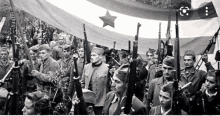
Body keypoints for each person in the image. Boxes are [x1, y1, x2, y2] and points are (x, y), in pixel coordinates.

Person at [80, 47, 109, 115]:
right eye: (91, 55)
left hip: (100, 102)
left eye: (94, 55)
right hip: (87, 101)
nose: (91, 57)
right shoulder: (86, 67)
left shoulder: (106, 68)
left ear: (100, 57)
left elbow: (109, 87)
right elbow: (82, 83)